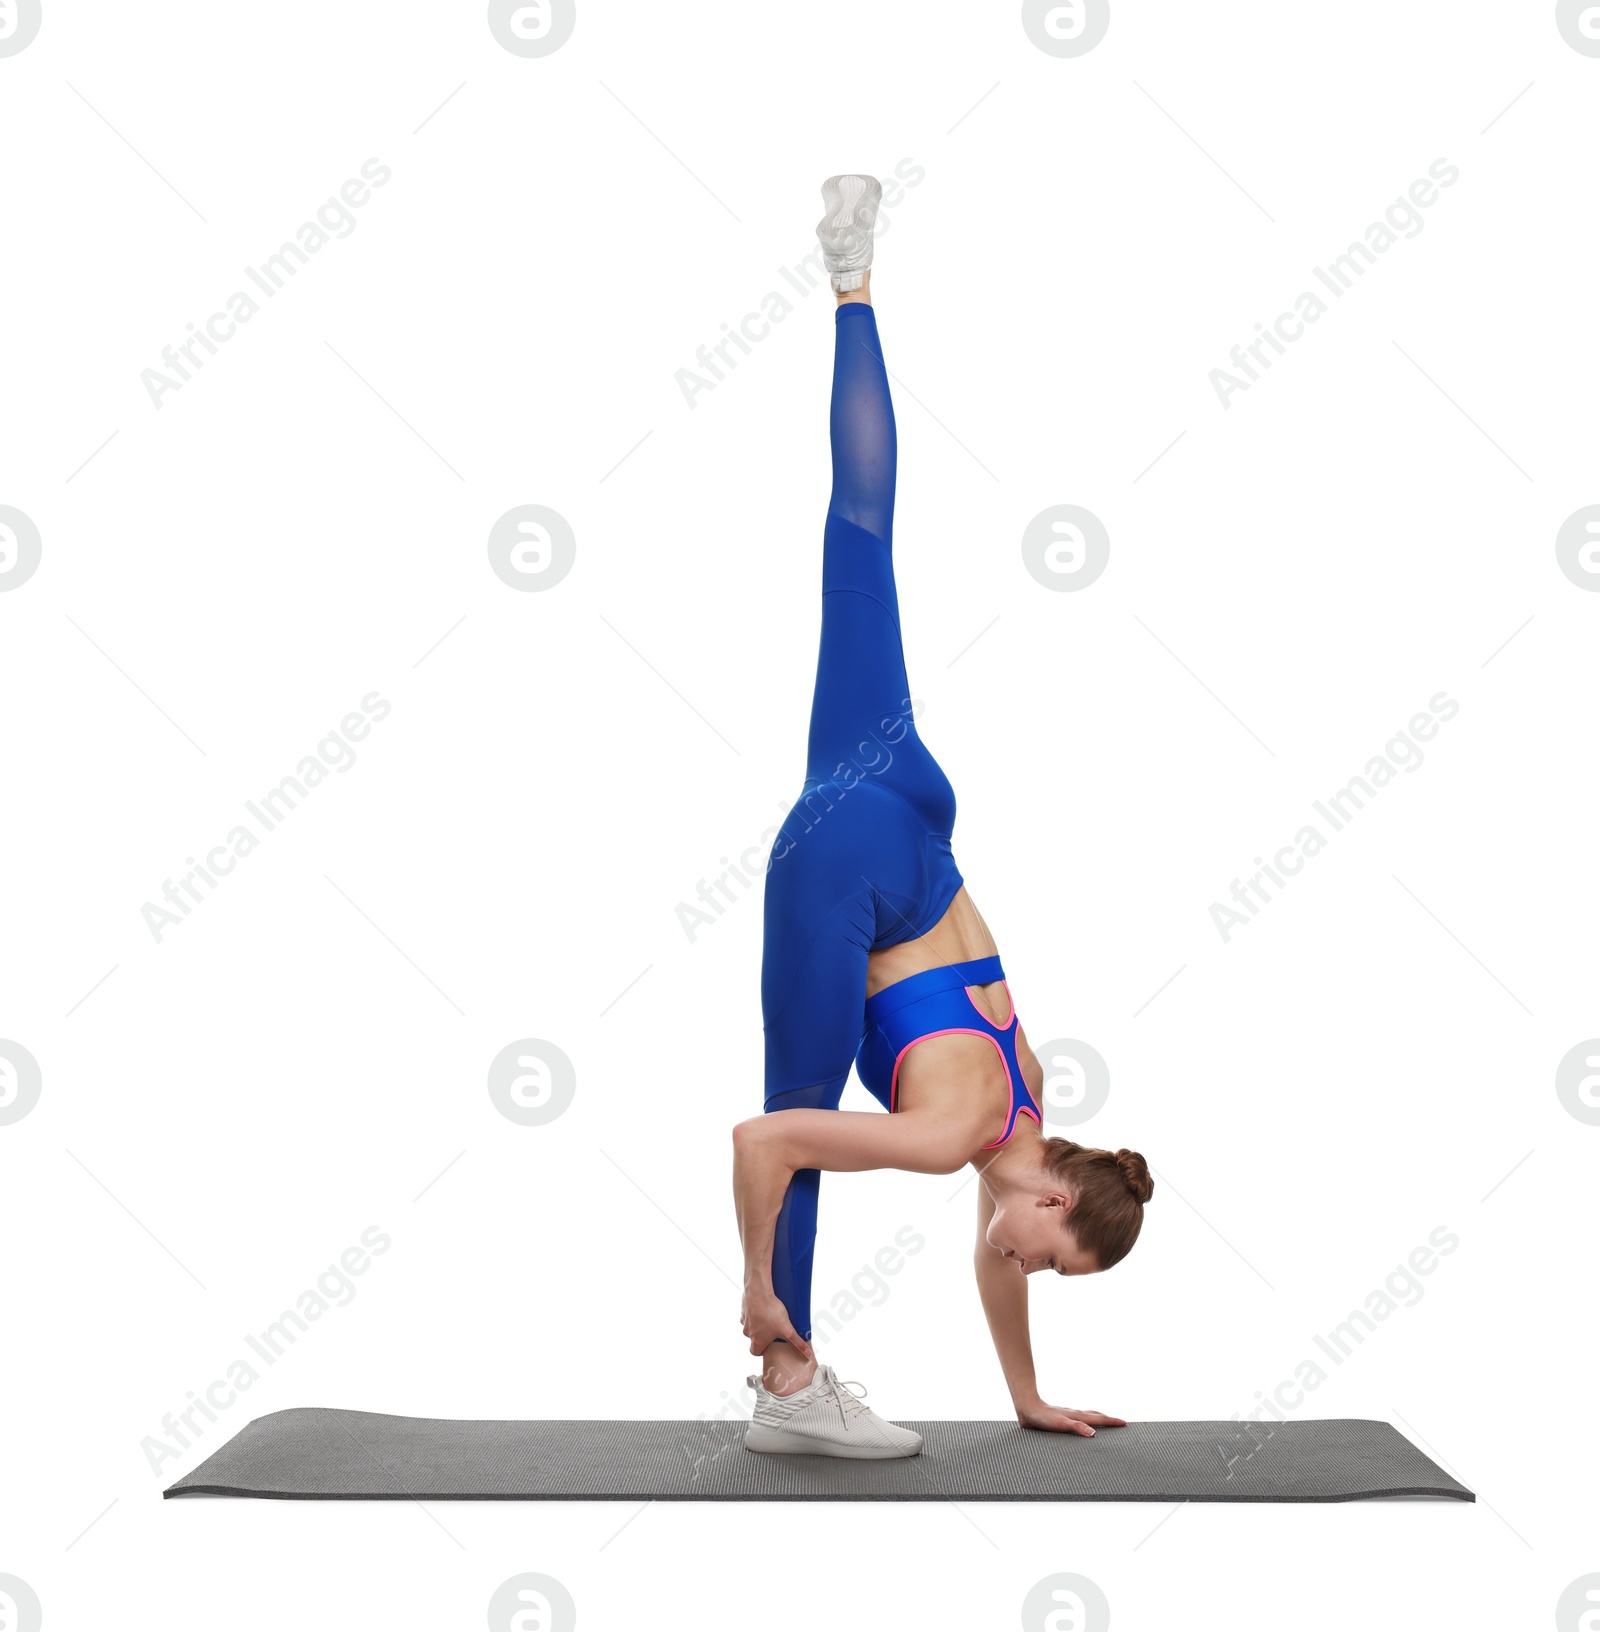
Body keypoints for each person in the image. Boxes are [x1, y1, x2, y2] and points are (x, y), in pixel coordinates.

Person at [731, 176, 1154, 1459]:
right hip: (848, 863)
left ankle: (853, 285)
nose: (1027, 1269)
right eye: (1055, 1262)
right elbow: (757, 1143)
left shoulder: (1028, 1096)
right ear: (1051, 1196)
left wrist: (1025, 1396)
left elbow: (995, 1256)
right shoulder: (954, 1138)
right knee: (790, 1108)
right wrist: (753, 1282)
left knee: (861, 537)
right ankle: (786, 1380)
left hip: (912, 807)